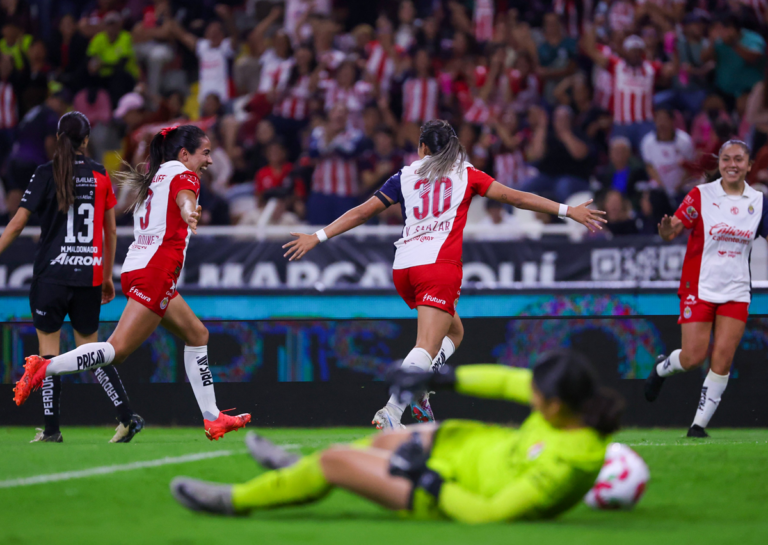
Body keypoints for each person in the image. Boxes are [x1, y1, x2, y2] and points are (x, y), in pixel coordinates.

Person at [283, 120, 606, 429]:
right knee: (426, 343)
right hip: (438, 267)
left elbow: (363, 211)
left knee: (454, 333)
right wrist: (568, 211)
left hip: (404, 268)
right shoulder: (466, 174)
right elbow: (517, 198)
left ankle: (420, 386)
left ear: (422, 147)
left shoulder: (405, 175)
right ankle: (393, 410)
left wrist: (318, 236)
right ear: (453, 147)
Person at [170, 349, 624, 523]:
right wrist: (443, 378)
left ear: (557, 405)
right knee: (382, 442)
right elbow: (508, 381)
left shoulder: (566, 462)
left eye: (537, 394)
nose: (529, 393)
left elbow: (489, 513)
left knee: (334, 460)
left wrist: (428, 480)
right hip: (462, 445)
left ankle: (237, 500)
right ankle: (296, 472)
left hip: (447, 486)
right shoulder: (570, 405)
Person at [13, 125, 251, 441]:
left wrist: (187, 211)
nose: (209, 160)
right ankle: (44, 368)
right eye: (205, 153)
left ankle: (212, 418)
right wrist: (190, 212)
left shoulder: (157, 174)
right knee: (118, 350)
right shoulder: (185, 176)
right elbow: (184, 200)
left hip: (141, 267)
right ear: (184, 154)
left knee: (197, 334)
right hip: (155, 271)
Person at [0, 112, 142, 443]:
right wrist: (107, 277)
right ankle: (126, 416)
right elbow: (110, 230)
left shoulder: (44, 173)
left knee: (48, 355)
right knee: (89, 352)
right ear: (87, 140)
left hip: (51, 276)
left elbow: (17, 224)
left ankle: (51, 430)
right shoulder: (100, 174)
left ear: (58, 138)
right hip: (89, 276)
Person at [647, 140, 767, 438]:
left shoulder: (760, 202)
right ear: (720, 164)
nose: (732, 164)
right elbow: (673, 227)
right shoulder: (701, 195)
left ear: (749, 165)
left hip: (737, 289)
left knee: (723, 358)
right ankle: (663, 368)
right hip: (699, 287)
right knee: (692, 357)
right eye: (726, 159)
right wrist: (665, 231)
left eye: (739, 159)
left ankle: (698, 426)